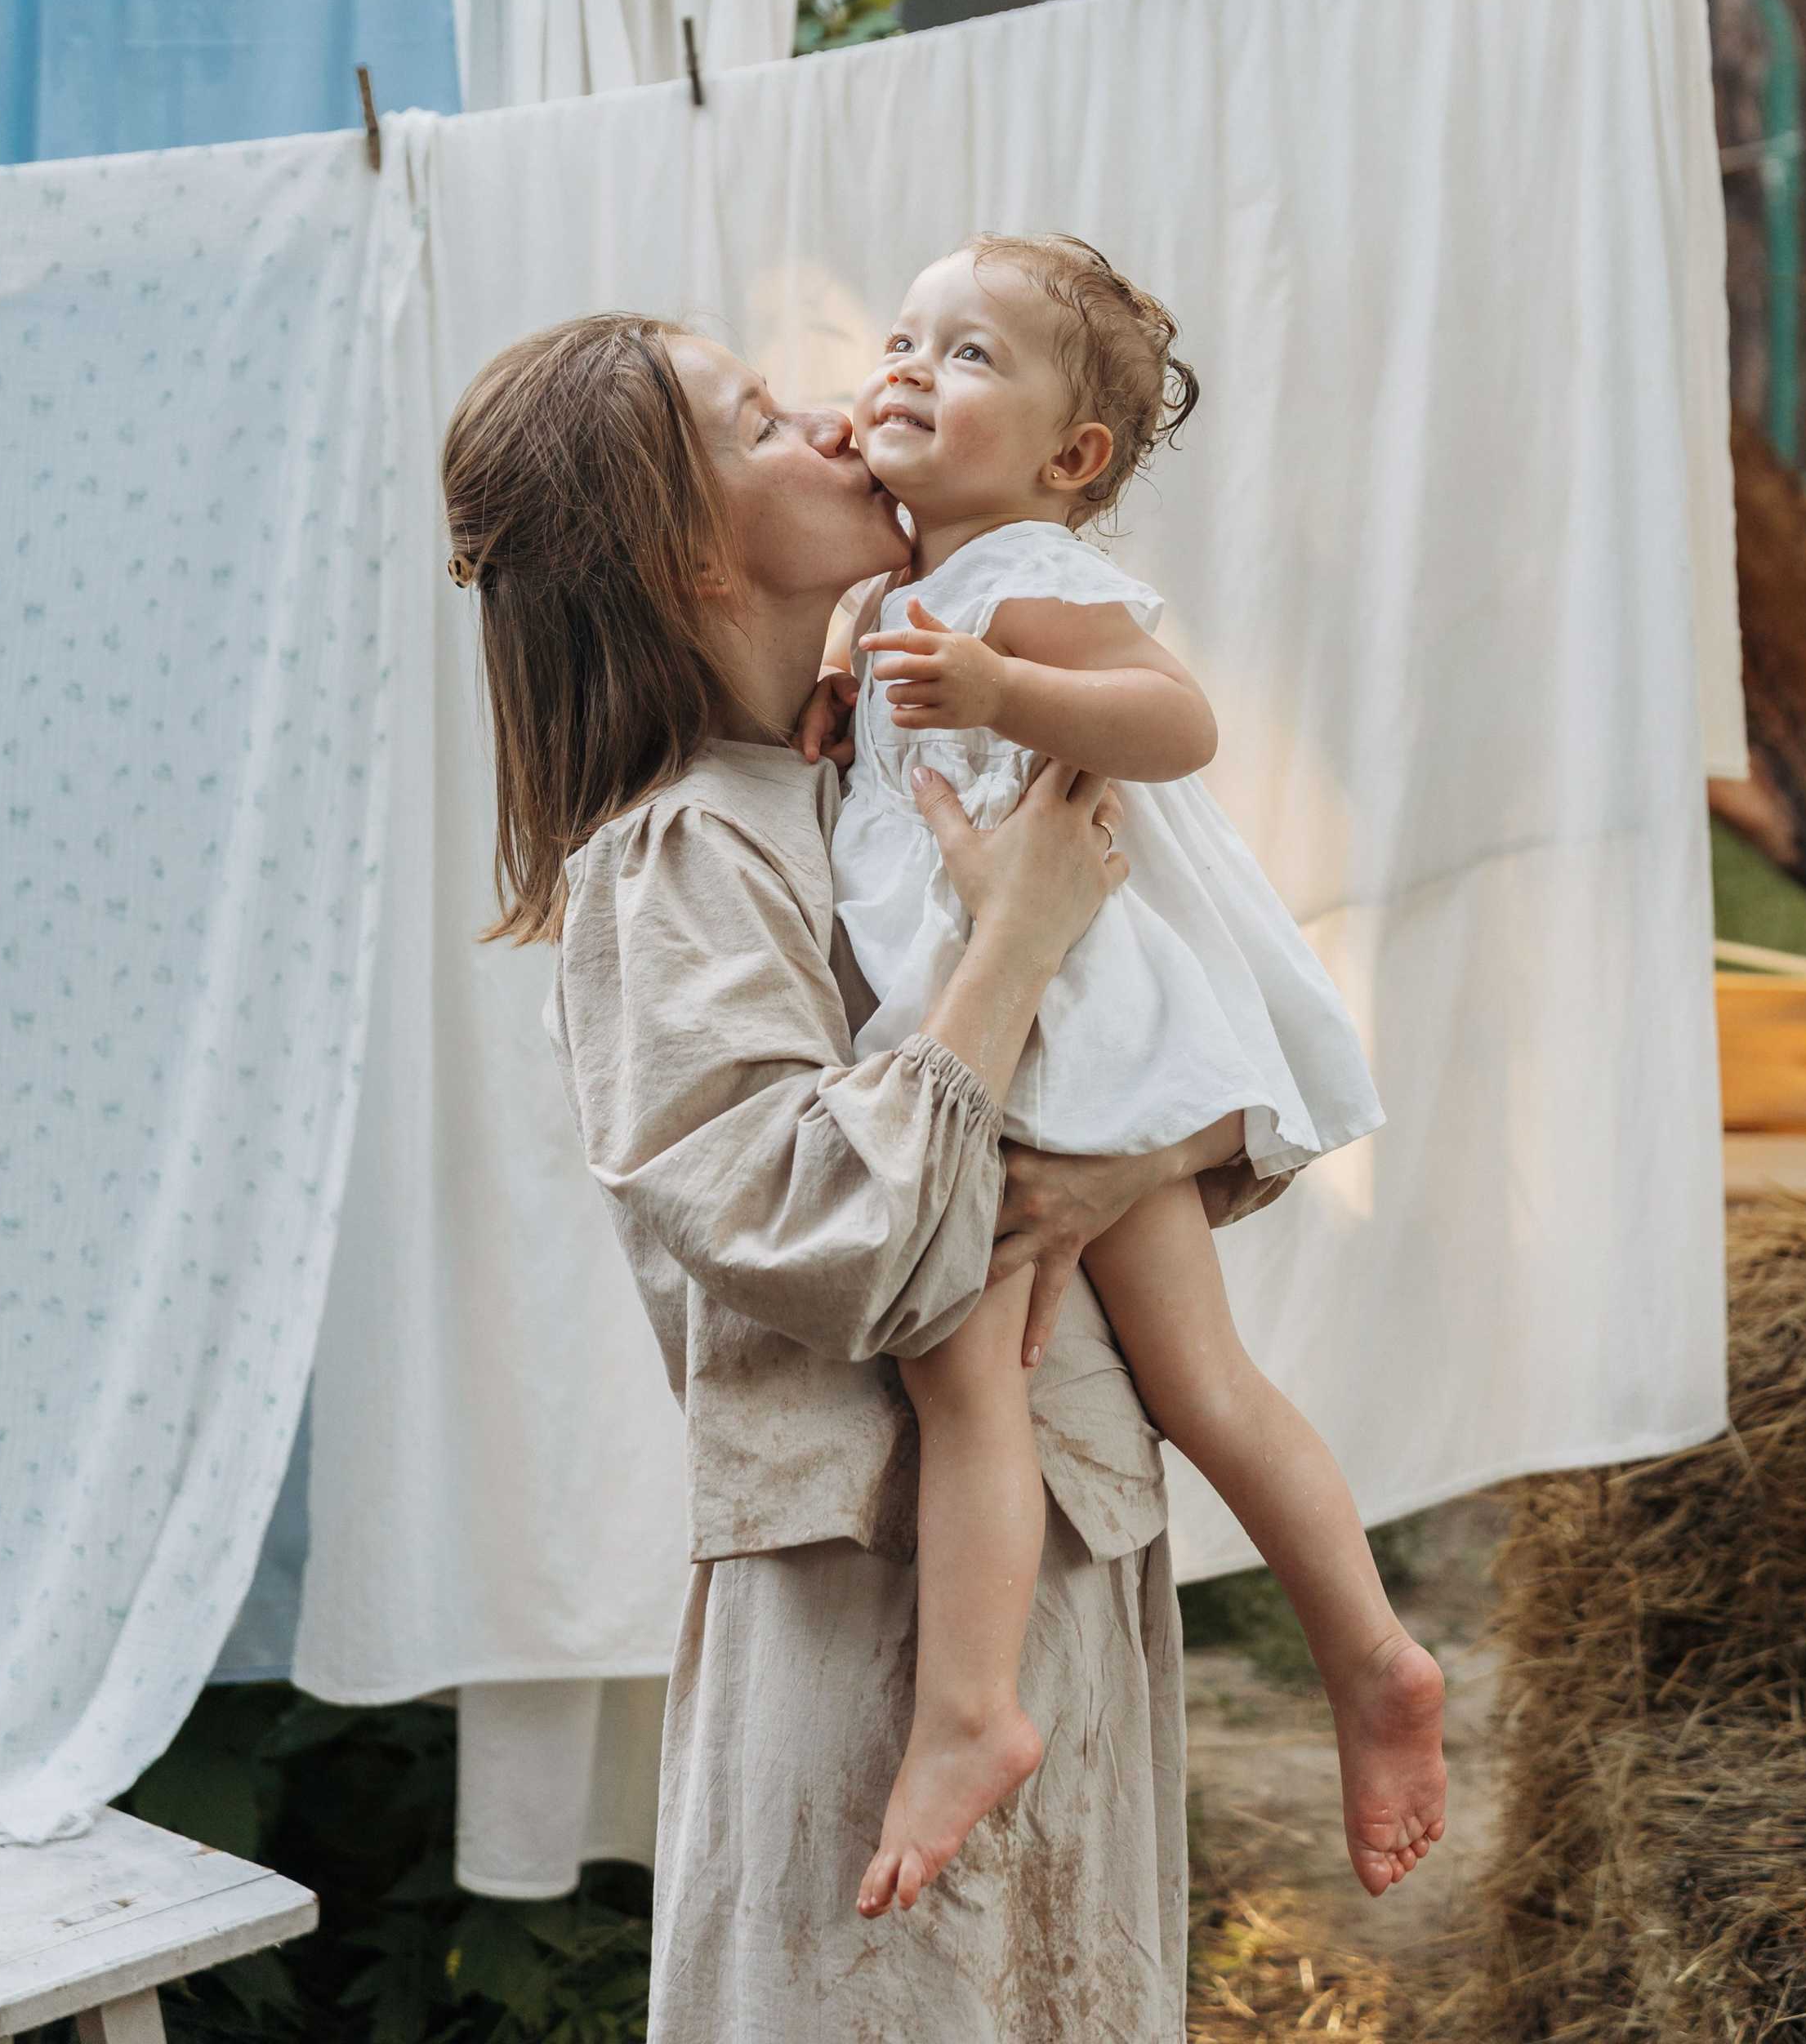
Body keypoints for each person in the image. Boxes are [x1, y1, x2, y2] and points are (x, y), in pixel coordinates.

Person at [441, 310, 1260, 2044]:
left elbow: (1189, 1079)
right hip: (869, 1636)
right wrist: (1020, 938)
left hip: (1062, 1572)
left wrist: (1130, 1163)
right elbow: (835, 1234)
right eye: (761, 424)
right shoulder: (679, 854)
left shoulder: (898, 782)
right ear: (680, 551)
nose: (840, 420)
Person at [812, 237, 1445, 1921]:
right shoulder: (894, 586)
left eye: (961, 357)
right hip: (1004, 1012)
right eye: (897, 336)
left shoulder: (1013, 571)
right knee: (1169, 1377)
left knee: (998, 1368)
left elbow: (1174, 723)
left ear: (1066, 460)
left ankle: (978, 1711)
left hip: (1059, 1020)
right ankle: (1362, 1659)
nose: (901, 369)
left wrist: (1007, 685)